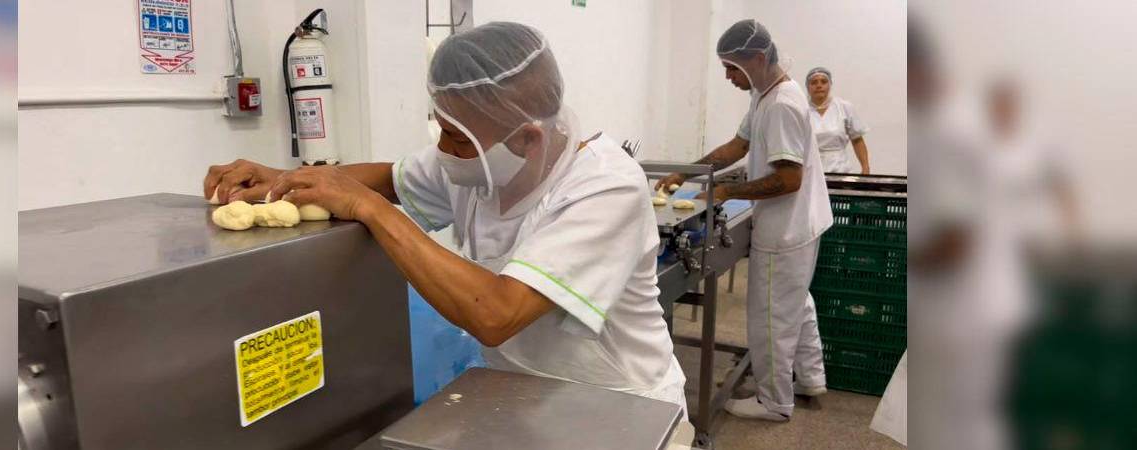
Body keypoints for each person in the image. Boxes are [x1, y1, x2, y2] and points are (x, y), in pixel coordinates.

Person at [203, 22, 689, 421]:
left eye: (457, 141)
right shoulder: (481, 163)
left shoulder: (604, 188)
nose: (443, 152)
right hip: (527, 400)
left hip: (623, 411)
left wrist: (369, 209)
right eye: (442, 128)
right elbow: (388, 178)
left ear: (527, 140)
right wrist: (281, 180)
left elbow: (496, 314)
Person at [656, 19, 833, 422]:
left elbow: (789, 179)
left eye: (732, 67)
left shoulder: (783, 105)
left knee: (771, 316)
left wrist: (728, 191)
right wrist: (688, 171)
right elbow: (738, 146)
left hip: (787, 228)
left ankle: (774, 402)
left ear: (757, 58)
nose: (727, 76)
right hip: (804, 223)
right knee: (796, 305)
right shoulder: (765, 94)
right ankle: (809, 378)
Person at [805, 67, 872, 174]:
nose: (819, 86)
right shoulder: (802, 110)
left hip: (841, 169)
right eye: (814, 82)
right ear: (808, 87)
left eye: (823, 82)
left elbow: (857, 139)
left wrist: (865, 168)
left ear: (830, 84)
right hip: (811, 169)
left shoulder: (844, 107)